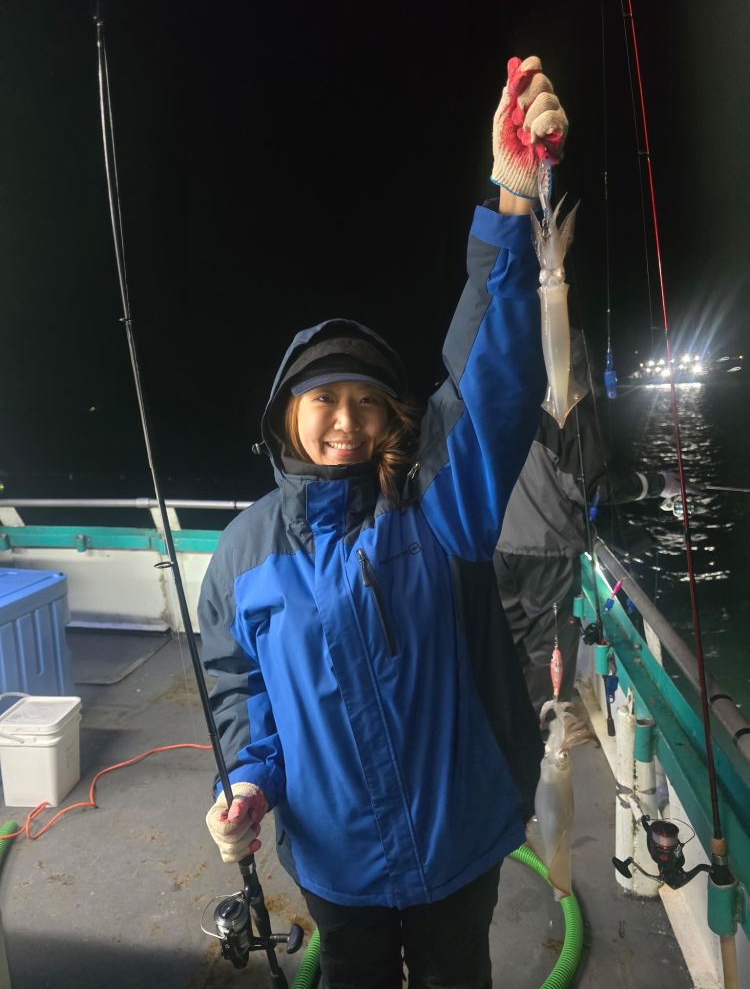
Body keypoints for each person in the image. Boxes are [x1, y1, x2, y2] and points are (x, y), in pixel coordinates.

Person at [198, 55, 567, 989]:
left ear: (391, 418)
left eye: (367, 400)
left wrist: (512, 197)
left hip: (457, 855)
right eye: (323, 399)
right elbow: (242, 697)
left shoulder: (435, 500)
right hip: (338, 870)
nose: (347, 419)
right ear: (286, 415)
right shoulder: (242, 556)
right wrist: (243, 784)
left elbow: (493, 373)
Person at [494, 333, 681, 717]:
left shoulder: (504, 399)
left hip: (497, 550)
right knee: (550, 653)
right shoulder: (568, 408)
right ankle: (542, 736)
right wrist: (660, 483)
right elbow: (591, 487)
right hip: (547, 554)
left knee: (506, 644)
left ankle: (505, 725)